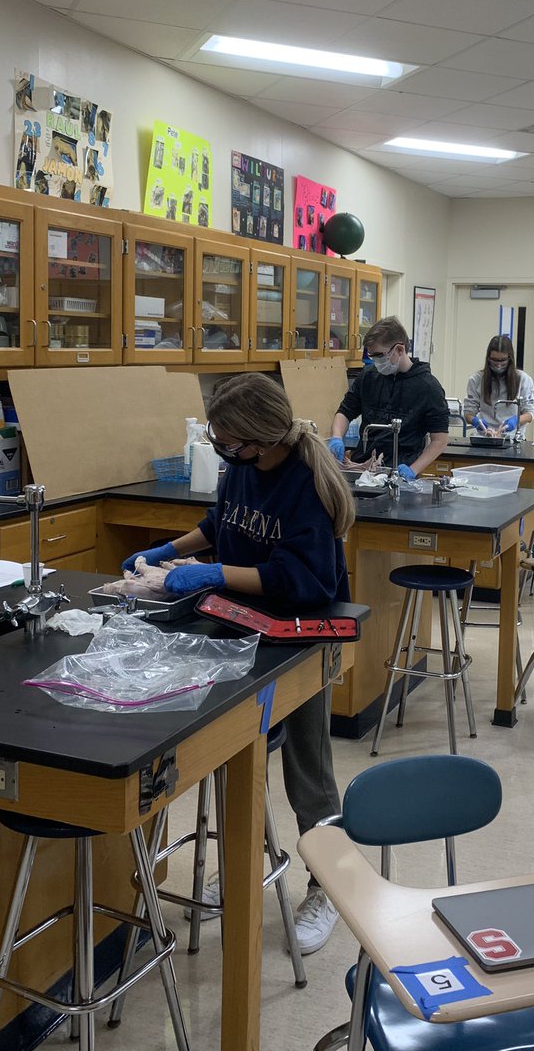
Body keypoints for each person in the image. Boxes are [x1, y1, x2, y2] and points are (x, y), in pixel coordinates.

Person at [121, 373, 355, 954]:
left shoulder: (307, 484)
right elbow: (218, 524)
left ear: (260, 435)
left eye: (229, 440)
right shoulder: (243, 465)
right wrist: (168, 552)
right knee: (229, 743)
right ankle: (246, 854)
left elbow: (301, 580)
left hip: (298, 631)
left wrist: (215, 573)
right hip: (240, 622)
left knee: (308, 768)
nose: (223, 449)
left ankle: (328, 885)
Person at [327, 315, 449, 478]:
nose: (376, 362)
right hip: (364, 470)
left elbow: (439, 440)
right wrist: (336, 436)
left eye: (379, 356)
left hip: (400, 474)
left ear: (400, 349)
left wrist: (413, 470)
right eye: (372, 356)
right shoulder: (368, 377)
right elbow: (345, 412)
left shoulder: (428, 388)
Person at [464, 335, 534, 434]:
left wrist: (515, 421)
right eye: (494, 360)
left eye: (502, 360)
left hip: (512, 438)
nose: (498, 364)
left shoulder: (523, 379)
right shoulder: (476, 380)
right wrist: (476, 422)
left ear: (510, 359)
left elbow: (530, 414)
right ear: (488, 358)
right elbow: (468, 413)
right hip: (485, 436)